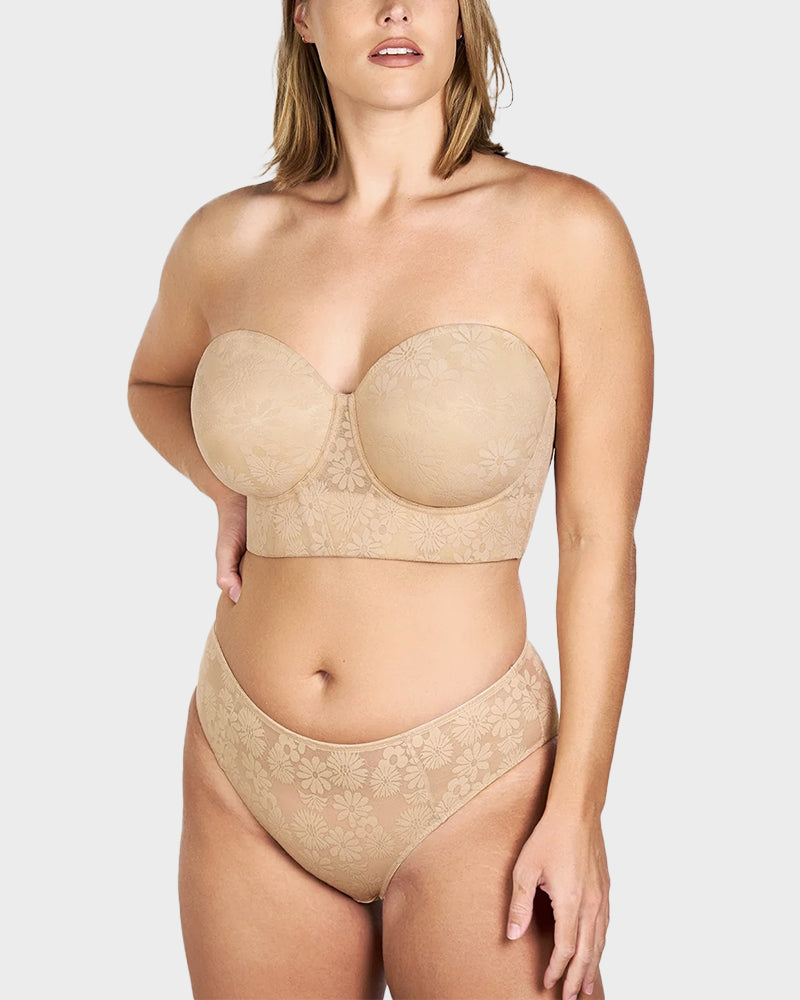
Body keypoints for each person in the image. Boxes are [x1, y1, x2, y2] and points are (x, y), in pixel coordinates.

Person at [127, 1, 653, 997]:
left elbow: (598, 539)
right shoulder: (228, 238)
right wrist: (221, 482)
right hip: (245, 772)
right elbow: (153, 385)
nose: (395, 7)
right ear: (303, 17)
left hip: (479, 784)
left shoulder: (564, 231)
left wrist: (578, 807)